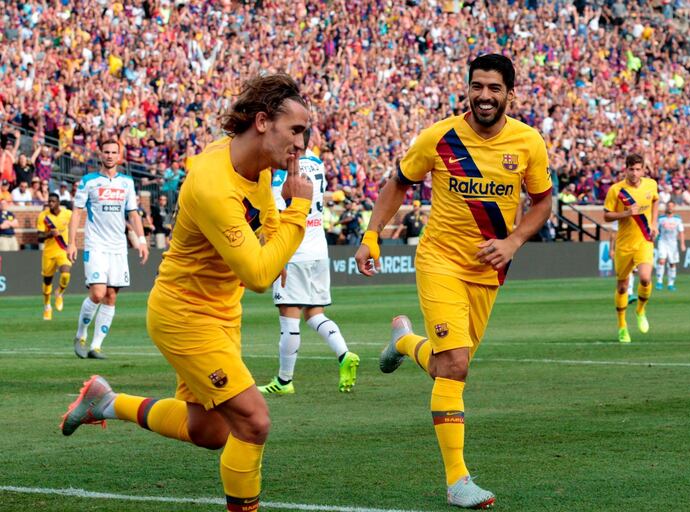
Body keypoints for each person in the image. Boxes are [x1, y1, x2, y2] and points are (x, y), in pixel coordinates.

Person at [60, 73, 313, 512]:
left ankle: (106, 401)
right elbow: (256, 274)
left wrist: (281, 237)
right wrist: (301, 210)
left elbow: (266, 216)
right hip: (185, 315)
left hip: (220, 312)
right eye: (295, 130)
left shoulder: (254, 166)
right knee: (254, 420)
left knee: (209, 432)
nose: (302, 144)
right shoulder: (214, 183)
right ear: (261, 122)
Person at [355, 54, 552, 509]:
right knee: (457, 367)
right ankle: (457, 480)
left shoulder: (527, 142)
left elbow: (543, 202)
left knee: (447, 368)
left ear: (509, 94)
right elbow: (398, 183)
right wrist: (371, 236)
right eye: (477, 86)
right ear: (467, 88)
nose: (484, 96)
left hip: (489, 270)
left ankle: (404, 341)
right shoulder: (439, 137)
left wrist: (514, 241)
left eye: (494, 88)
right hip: (440, 261)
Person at [259, 129, 360, 395]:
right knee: (314, 313)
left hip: (294, 252)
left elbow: (278, 216)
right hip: (318, 249)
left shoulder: (283, 173)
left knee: (289, 319)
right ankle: (344, 354)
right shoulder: (316, 162)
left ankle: (284, 381)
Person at [66, 139, 150, 360]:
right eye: (106, 152)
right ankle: (81, 335)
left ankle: (96, 346)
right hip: (95, 245)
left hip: (118, 247)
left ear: (119, 156)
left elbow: (133, 213)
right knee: (98, 293)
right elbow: (76, 212)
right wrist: (72, 241)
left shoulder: (127, 183)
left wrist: (141, 240)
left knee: (111, 296)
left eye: (114, 152)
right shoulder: (89, 182)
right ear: (100, 154)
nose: (110, 155)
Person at [603, 153, 659, 343]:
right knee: (622, 287)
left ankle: (640, 310)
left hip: (644, 240)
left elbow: (655, 201)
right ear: (625, 169)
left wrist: (654, 223)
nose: (634, 173)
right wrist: (626, 213)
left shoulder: (651, 185)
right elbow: (606, 216)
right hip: (624, 244)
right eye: (631, 169)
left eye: (638, 169)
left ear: (643, 169)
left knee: (645, 278)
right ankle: (622, 326)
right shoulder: (616, 190)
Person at [37, 193, 73, 320]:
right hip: (49, 253)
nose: (51, 204)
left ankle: (60, 293)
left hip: (62, 250)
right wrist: (49, 235)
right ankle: (47, 306)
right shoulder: (43, 216)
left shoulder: (67, 214)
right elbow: (39, 237)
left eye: (53, 201)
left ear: (58, 203)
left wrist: (72, 244)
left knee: (65, 274)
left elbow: (74, 226)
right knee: (47, 282)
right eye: (49, 202)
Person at [655, 200, 686, 291]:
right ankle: (659, 282)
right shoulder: (661, 218)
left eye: (672, 206)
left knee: (672, 263)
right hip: (662, 241)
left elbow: (681, 232)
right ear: (666, 207)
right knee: (661, 261)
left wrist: (682, 244)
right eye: (668, 206)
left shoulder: (678, 219)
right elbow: (656, 230)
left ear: (674, 207)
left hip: (673, 243)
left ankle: (670, 284)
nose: (670, 208)